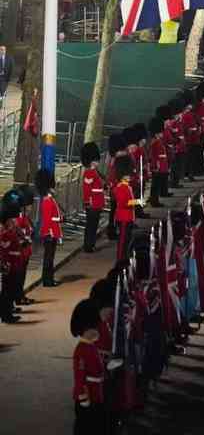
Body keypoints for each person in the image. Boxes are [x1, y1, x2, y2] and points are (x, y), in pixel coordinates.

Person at [70, 299, 107, 435]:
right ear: (85, 329)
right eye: (94, 328)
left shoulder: (91, 346)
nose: (97, 330)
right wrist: (83, 398)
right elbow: (79, 377)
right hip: (88, 397)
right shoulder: (81, 350)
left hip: (96, 394)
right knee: (85, 428)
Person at [37, 169, 62, 287]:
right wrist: (50, 232)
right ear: (48, 187)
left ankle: (49, 279)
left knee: (50, 258)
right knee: (48, 258)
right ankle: (47, 280)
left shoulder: (50, 199)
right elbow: (47, 220)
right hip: (49, 233)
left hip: (52, 231)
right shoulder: (47, 201)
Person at [79, 143, 105, 253]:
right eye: (95, 159)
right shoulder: (89, 172)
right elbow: (87, 190)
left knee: (93, 225)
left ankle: (91, 244)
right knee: (91, 226)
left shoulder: (94, 172)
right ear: (91, 160)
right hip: (93, 203)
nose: (97, 162)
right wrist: (87, 202)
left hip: (96, 202)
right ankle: (88, 245)